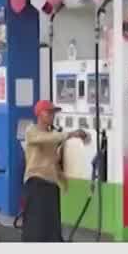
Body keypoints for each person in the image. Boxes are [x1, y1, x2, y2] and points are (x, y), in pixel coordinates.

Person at [22, 100, 89, 242]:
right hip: (36, 183)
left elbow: (52, 159)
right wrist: (70, 134)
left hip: (51, 185)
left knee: (52, 226)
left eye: (54, 113)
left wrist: (61, 179)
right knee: (36, 227)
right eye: (49, 112)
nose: (52, 116)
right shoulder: (32, 131)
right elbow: (44, 139)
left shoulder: (52, 134)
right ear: (40, 114)